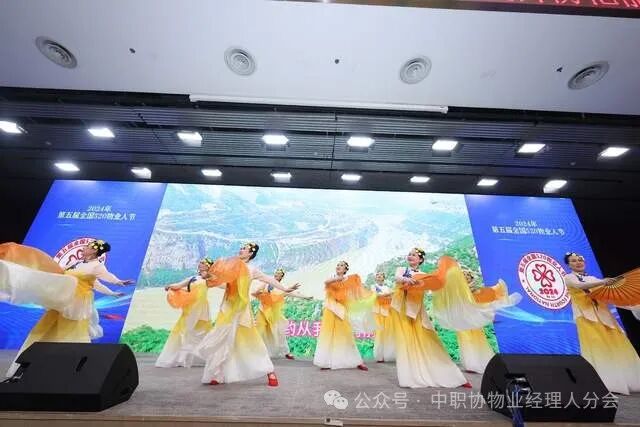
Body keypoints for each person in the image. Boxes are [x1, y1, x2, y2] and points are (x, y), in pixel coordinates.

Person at [0, 240, 132, 377]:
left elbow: (103, 280)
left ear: (94, 251)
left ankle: (73, 370)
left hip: (77, 304)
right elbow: (63, 274)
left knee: (73, 334)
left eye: (87, 247)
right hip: (63, 301)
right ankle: (33, 365)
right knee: (47, 330)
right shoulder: (77, 263)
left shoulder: (97, 266)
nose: (84, 248)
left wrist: (117, 285)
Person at [194, 242, 300, 387]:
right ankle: (217, 374)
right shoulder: (230, 266)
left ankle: (269, 371)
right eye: (241, 248)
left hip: (241, 310)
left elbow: (269, 279)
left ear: (250, 253)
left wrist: (285, 289)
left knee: (252, 340)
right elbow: (223, 283)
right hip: (227, 308)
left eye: (244, 249)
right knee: (223, 340)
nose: (241, 250)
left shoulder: (252, 269)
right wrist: (208, 277)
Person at [390, 248, 471, 388]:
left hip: (416, 311)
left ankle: (452, 376)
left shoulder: (424, 275)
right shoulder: (402, 269)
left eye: (414, 255)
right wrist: (407, 279)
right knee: (405, 341)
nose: (410, 256)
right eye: (409, 254)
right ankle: (409, 375)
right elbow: (397, 278)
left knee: (429, 338)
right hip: (401, 310)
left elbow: (434, 283)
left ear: (420, 260)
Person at [563, 252, 640, 394]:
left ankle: (627, 380)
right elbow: (579, 285)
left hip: (605, 317)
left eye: (580, 260)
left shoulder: (593, 278)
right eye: (573, 261)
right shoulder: (569, 277)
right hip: (586, 317)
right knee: (597, 348)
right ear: (568, 264)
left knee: (617, 345)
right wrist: (602, 282)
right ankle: (604, 383)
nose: (578, 262)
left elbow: (609, 297)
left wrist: (633, 306)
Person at [155, 258, 215, 368]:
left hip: (202, 308)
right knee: (185, 331)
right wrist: (170, 286)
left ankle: (209, 357)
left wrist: (209, 275)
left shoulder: (210, 278)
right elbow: (179, 285)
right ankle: (181, 359)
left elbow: (220, 282)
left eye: (203, 263)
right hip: (191, 308)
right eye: (200, 262)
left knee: (202, 331)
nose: (200, 264)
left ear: (208, 266)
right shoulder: (193, 278)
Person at [313, 261, 371, 371]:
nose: (338, 267)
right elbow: (326, 282)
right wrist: (338, 279)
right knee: (329, 335)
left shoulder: (348, 280)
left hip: (341, 309)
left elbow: (356, 291)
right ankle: (326, 361)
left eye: (341, 266)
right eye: (338, 265)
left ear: (345, 269)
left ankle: (356, 361)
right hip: (331, 309)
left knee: (346, 335)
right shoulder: (332, 277)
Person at [253, 267, 312, 360]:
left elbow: (292, 293)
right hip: (263, 311)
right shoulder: (267, 283)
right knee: (260, 331)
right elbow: (256, 292)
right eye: (276, 272)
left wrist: (305, 297)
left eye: (279, 273)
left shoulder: (282, 287)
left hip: (274, 314)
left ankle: (286, 352)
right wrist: (262, 295)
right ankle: (256, 352)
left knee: (279, 331)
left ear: (282, 276)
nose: (277, 274)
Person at [371, 271, 395, 363]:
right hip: (377, 312)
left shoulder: (387, 288)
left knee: (387, 332)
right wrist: (388, 294)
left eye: (381, 275)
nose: (379, 276)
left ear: (384, 277)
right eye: (377, 275)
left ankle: (387, 354)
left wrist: (388, 296)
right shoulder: (373, 287)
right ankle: (379, 355)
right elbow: (376, 296)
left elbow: (391, 299)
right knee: (379, 333)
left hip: (386, 311)